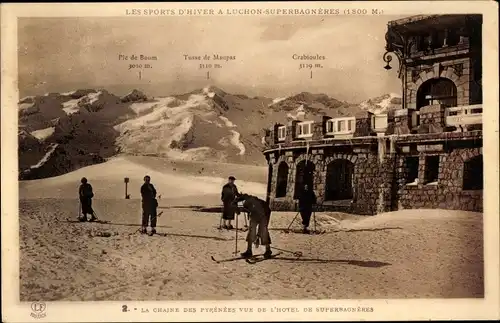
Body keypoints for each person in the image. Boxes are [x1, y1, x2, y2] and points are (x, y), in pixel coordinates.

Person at [235, 193, 273, 259]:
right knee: (251, 230)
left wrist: (258, 236)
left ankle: (268, 250)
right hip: (255, 213)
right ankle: (249, 251)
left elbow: (261, 215)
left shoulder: (251, 202)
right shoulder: (247, 202)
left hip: (264, 213)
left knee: (263, 231)